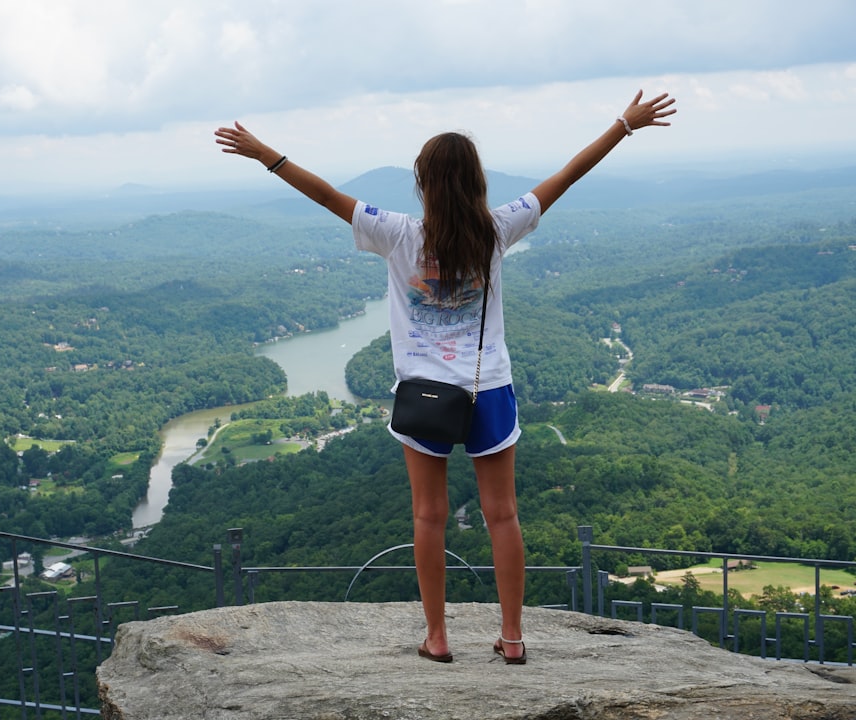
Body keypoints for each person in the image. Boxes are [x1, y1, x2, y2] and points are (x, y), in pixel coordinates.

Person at [214, 90, 676, 664]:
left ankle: (437, 636)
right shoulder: (497, 229)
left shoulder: (397, 233)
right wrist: (622, 126)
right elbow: (567, 176)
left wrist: (265, 154)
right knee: (502, 515)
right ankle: (512, 638)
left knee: (429, 517)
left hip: (423, 396)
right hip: (489, 390)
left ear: (423, 183)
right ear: (477, 182)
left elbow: (326, 195)